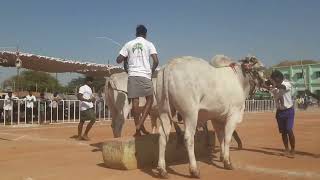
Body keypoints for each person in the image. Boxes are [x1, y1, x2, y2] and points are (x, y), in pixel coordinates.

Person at [116, 24, 159, 136]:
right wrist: (151, 71)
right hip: (145, 75)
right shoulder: (149, 44)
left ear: (136, 33)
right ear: (145, 34)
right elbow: (156, 61)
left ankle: (138, 128)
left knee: (135, 102)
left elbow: (118, 60)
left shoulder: (128, 44)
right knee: (149, 100)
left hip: (132, 76)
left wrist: (125, 57)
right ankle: (140, 124)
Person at [269, 70, 295, 158]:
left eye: (274, 79)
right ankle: (286, 149)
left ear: (278, 78)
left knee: (289, 130)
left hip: (289, 111)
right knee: (283, 132)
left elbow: (282, 87)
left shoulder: (287, 83)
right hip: (279, 112)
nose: (273, 81)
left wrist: (274, 84)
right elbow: (269, 88)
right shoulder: (274, 87)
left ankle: (293, 150)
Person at [76, 76, 96, 141]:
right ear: (87, 81)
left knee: (82, 121)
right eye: (91, 81)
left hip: (90, 106)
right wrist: (87, 100)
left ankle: (81, 136)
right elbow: (79, 97)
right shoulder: (82, 87)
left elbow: (91, 97)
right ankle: (84, 135)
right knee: (93, 119)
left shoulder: (90, 89)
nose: (92, 82)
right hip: (84, 107)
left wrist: (93, 99)